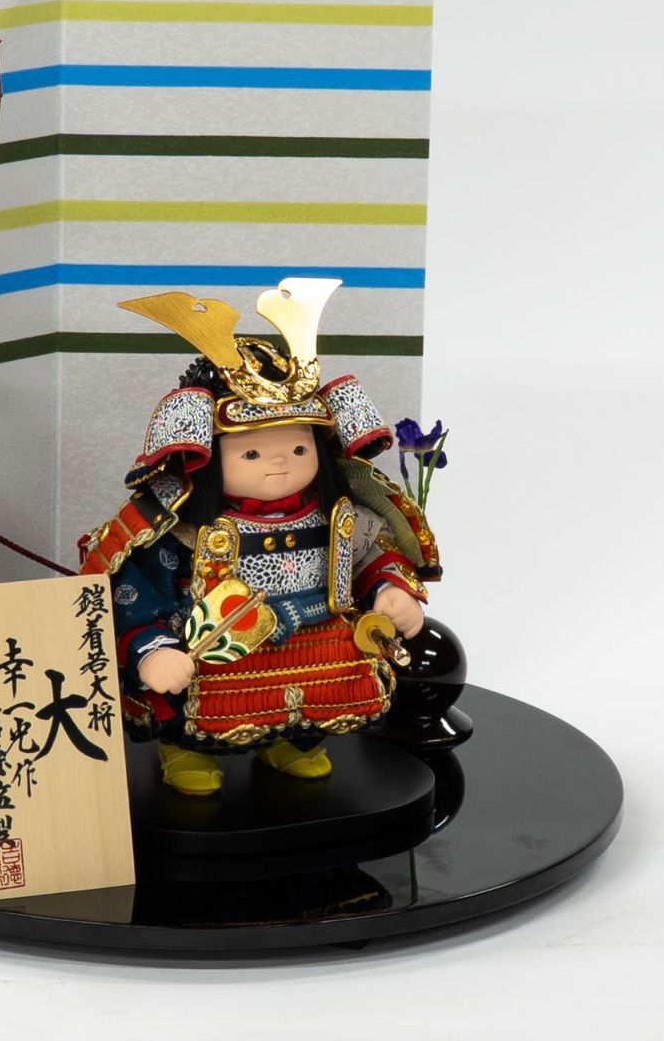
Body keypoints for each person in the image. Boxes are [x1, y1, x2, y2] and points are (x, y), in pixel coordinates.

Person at [78, 279, 440, 795]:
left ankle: (291, 744)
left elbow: (370, 557)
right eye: (251, 453)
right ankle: (185, 750)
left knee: (318, 702)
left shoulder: (338, 516)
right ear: (206, 458)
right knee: (197, 702)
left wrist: (390, 589)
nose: (279, 463)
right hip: (219, 656)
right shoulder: (183, 529)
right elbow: (133, 596)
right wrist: (152, 650)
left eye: (298, 449)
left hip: (320, 649)